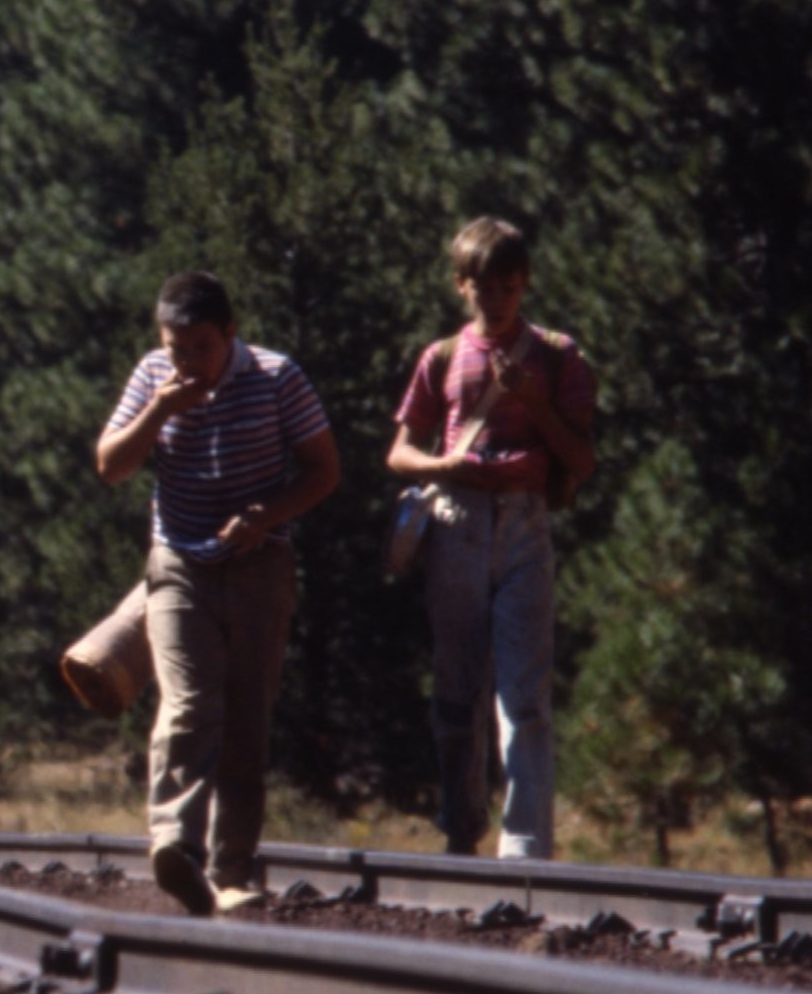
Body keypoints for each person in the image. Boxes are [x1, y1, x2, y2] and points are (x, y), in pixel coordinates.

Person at [97, 272, 339, 918]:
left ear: (230, 333)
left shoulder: (275, 378)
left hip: (260, 565)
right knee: (188, 701)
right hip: (179, 564)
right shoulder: (154, 378)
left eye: (200, 348)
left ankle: (231, 870)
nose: (187, 362)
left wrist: (267, 515)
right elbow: (110, 464)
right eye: (176, 349)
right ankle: (175, 843)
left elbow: (324, 468)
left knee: (244, 721)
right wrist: (160, 411)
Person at [387, 217, 595, 861]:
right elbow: (400, 453)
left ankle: (526, 847)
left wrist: (533, 402)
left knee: (523, 694)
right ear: (462, 286)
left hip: (524, 524)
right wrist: (442, 469)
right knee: (457, 688)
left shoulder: (560, 357)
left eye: (509, 287)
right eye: (484, 288)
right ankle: (460, 827)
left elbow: (580, 460)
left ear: (524, 284)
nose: (498, 300)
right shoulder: (442, 358)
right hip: (457, 523)